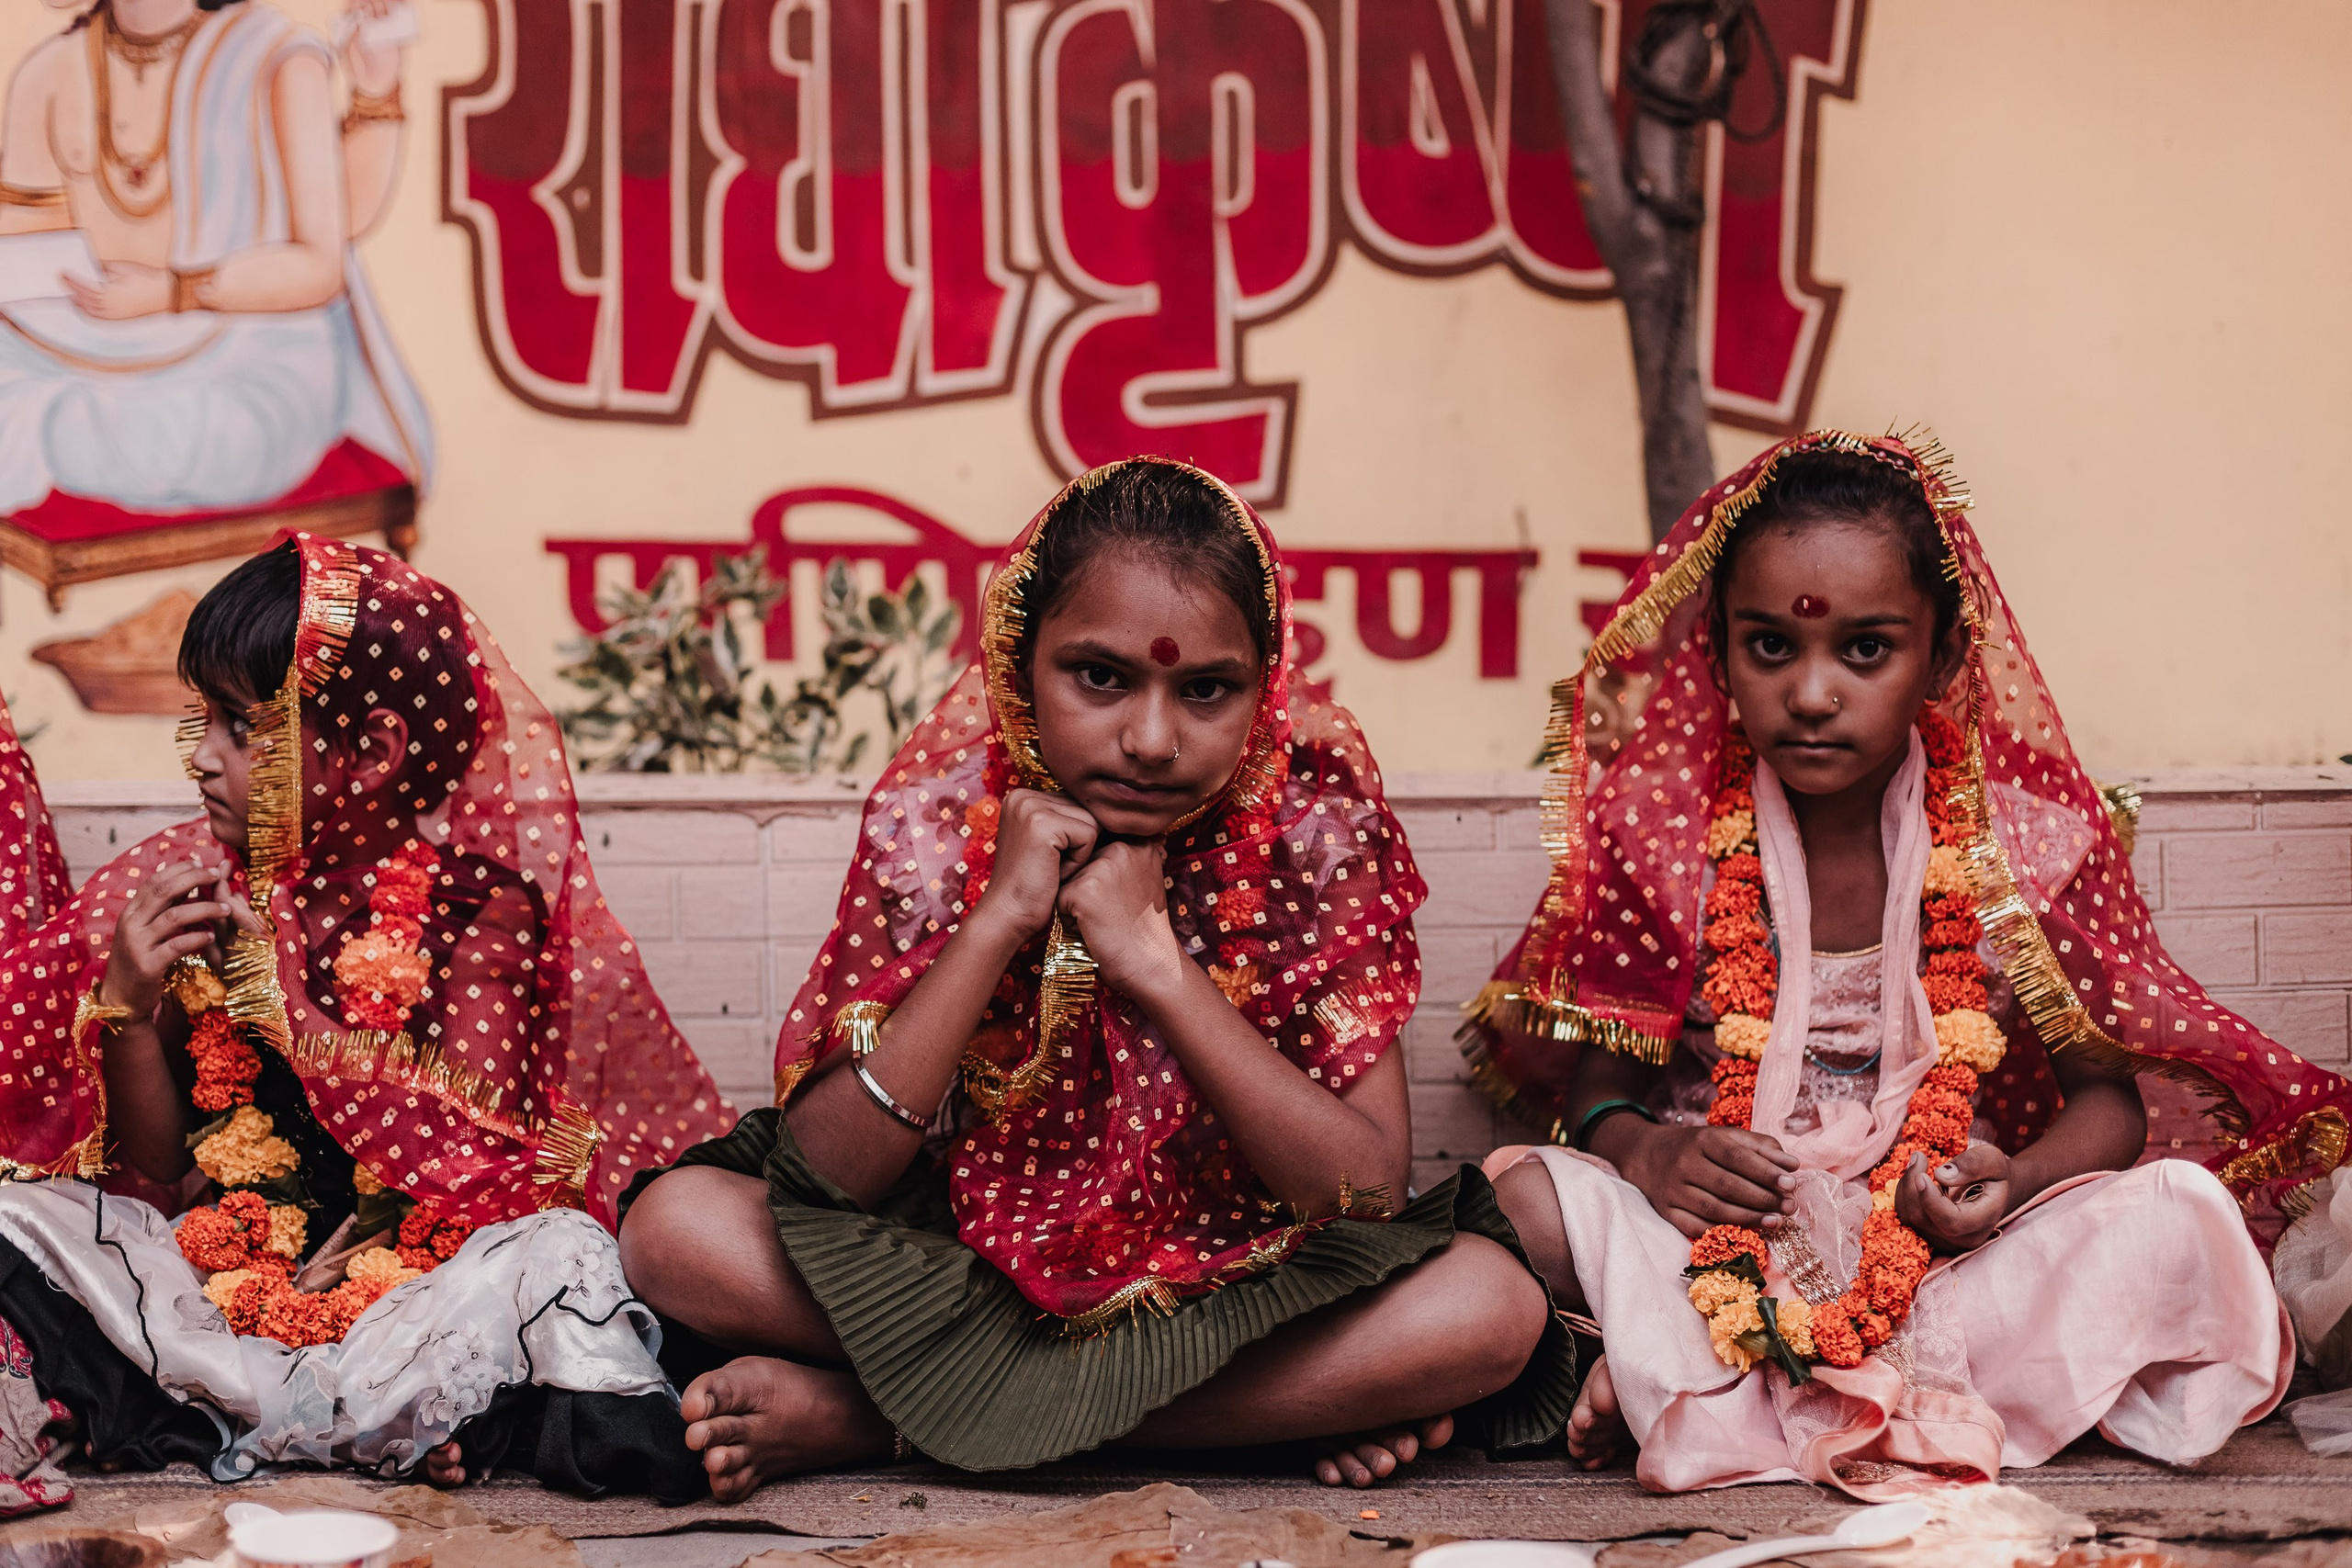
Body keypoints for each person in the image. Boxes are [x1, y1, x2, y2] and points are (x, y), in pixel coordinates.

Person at [619, 457, 1579, 1499]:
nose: (1151, 740)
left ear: (1266, 689)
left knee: (1489, 1308)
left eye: (1206, 690)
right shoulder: (940, 825)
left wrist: (1157, 966)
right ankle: (1235, 1429)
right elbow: (823, 1179)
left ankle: (884, 1417)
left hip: (1238, 1282)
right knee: (675, 1231)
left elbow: (1365, 1194)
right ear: (1020, 662)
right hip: (967, 1271)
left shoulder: (1310, 836)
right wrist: (998, 919)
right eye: (1100, 676)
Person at [1463, 430, 2342, 1497]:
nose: (1814, 692)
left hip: (1939, 1251)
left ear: (1945, 656)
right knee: (1523, 1201)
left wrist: (2013, 1179)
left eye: (1865, 650)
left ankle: (1681, 1379)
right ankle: (1735, 1367)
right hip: (1718, 1235)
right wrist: (1646, 1156)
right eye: (1770, 648)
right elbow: (1599, 1092)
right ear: (1717, 653)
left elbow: (2108, 1109)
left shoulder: (2024, 847)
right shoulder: (1669, 845)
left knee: (2176, 1218)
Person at [0, 535, 731, 1493]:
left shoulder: (481, 908)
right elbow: (162, 1162)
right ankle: (398, 1428)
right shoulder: (196, 887)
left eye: (239, 726)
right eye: (205, 722)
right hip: (220, 1276)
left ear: (375, 750)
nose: (203, 760)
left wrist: (371, 1252)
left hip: (415, 1283)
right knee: (21, 1219)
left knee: (563, 1262)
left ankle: (341, 1420)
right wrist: (129, 1015)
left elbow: (482, 1166)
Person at [0, 0, 431, 513]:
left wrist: (170, 293)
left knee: (136, 435)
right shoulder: (49, 70)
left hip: (247, 361)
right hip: (86, 355)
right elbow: (24, 261)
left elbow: (320, 268)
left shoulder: (274, 60)